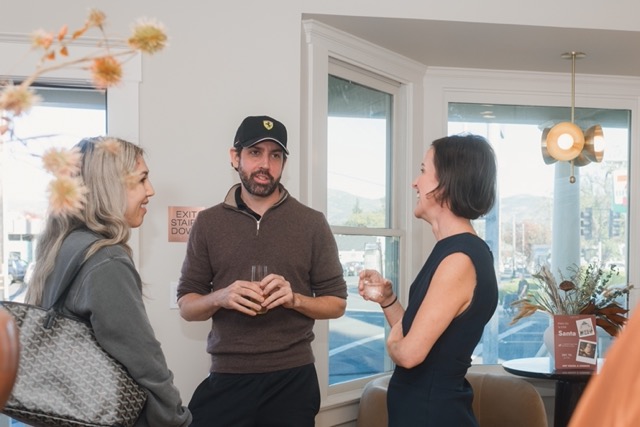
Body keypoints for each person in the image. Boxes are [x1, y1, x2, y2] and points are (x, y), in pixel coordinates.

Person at [177, 115, 347, 427]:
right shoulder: (208, 223)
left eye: (275, 155)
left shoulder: (312, 223)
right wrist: (221, 297)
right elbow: (187, 307)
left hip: (293, 380)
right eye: (255, 152)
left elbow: (336, 304)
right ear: (235, 157)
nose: (265, 164)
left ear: (284, 163)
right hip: (228, 377)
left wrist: (295, 300)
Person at [25, 137, 191, 427]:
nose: (150, 190)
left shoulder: (64, 246)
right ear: (110, 186)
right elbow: (144, 359)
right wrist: (176, 418)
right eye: (141, 179)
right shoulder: (105, 259)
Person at [359, 133, 498, 427]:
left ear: (445, 184)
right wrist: (388, 300)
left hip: (431, 415)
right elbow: (422, 336)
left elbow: (409, 353)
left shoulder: (459, 260)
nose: (415, 182)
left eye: (423, 171)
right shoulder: (455, 251)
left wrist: (392, 342)